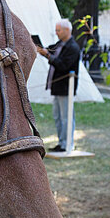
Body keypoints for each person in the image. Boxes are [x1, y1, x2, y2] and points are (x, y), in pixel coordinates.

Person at [37, 19, 81, 152]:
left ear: (67, 30)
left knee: (66, 117)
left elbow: (62, 65)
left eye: (58, 30)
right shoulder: (60, 44)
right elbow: (51, 51)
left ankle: (68, 143)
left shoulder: (73, 47)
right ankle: (61, 143)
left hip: (66, 87)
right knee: (57, 116)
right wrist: (42, 50)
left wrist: (47, 55)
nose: (56, 33)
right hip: (57, 87)